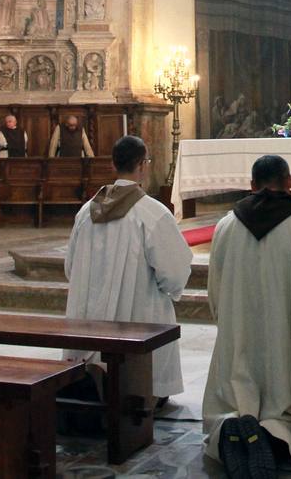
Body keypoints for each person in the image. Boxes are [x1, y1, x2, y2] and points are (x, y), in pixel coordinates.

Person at [203, 154, 291, 478]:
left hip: (240, 341)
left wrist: (228, 323)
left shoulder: (226, 227)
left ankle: (234, 427)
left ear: (252, 186)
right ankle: (274, 436)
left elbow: (215, 291)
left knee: (236, 395)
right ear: (290, 183)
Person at [63, 135, 191, 404]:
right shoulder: (152, 214)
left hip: (89, 319)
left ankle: (89, 389)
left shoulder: (86, 212)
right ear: (143, 165)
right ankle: (144, 396)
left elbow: (70, 267)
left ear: (113, 164)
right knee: (141, 384)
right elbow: (175, 272)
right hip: (137, 315)